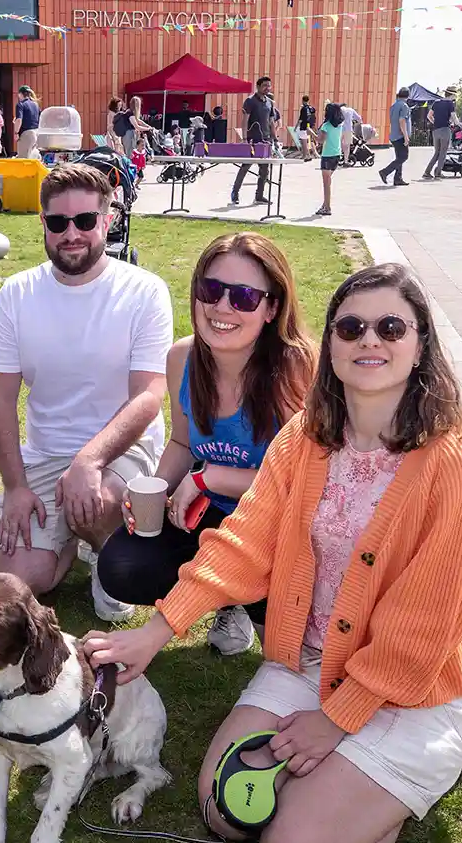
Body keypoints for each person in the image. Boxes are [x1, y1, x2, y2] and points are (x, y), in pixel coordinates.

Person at [81, 262, 462, 843]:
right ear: (332, 345)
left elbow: (426, 625)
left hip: (409, 688)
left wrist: (337, 720)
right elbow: (244, 540)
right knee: (225, 813)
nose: (369, 340)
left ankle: (376, 797)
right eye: (350, 328)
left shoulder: (453, 461)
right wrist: (157, 631)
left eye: (391, 328)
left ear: (421, 344)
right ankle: (350, 799)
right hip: (308, 661)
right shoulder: (304, 438)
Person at [96, 232, 317, 656]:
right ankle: (229, 598)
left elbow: (303, 481)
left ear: (272, 308)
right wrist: (155, 489)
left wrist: (209, 476)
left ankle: (250, 598)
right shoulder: (182, 358)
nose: (222, 307)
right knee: (123, 567)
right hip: (207, 514)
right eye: (210, 290)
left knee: (293, 656)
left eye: (245, 297)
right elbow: (182, 440)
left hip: (279, 525)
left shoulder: (298, 369)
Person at [0, 163, 173, 619]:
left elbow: (148, 396)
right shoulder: (17, 293)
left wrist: (89, 460)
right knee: (14, 583)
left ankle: (110, 556)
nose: (73, 233)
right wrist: (15, 487)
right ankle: (69, 538)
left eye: (86, 221)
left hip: (120, 453)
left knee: (97, 501)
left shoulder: (144, 291)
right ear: (42, 224)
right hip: (46, 455)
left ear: (107, 220)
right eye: (58, 222)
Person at [232, 77, 277, 206]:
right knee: (245, 167)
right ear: (258, 86)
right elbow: (245, 120)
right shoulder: (250, 101)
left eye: (269, 86)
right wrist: (244, 138)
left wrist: (274, 138)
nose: (267, 88)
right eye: (265, 86)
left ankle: (259, 196)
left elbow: (271, 122)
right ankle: (235, 193)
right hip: (252, 139)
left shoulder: (270, 102)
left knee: (264, 170)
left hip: (266, 140)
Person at [316, 102, 345, 217]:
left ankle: (327, 207)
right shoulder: (339, 125)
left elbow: (320, 141)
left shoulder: (326, 126)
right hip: (337, 154)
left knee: (326, 184)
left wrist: (311, 133)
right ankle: (324, 205)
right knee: (328, 182)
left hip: (327, 155)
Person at [379, 87, 412, 187]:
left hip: (393, 134)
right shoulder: (404, 106)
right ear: (408, 96)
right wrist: (406, 136)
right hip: (400, 135)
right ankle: (385, 172)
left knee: (399, 158)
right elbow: (402, 121)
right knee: (404, 157)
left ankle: (398, 178)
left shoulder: (394, 106)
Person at [422, 87, 457, 181]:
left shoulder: (436, 102)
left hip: (435, 130)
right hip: (445, 129)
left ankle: (427, 172)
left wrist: (435, 122)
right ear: (452, 95)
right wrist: (458, 124)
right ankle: (438, 173)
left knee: (436, 152)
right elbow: (454, 117)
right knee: (443, 152)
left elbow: (429, 116)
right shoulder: (450, 104)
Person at [13, 85, 41, 158]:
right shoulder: (36, 104)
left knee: (23, 158)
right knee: (33, 157)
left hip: (26, 134)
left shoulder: (21, 104)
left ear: (20, 94)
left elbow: (19, 120)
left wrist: (16, 133)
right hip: (36, 133)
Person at [295, 94, 316, 160]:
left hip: (303, 126)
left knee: (304, 142)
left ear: (302, 100)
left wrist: (296, 127)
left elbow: (300, 119)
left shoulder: (303, 109)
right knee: (307, 142)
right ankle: (308, 155)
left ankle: (305, 156)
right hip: (309, 126)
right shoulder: (311, 108)